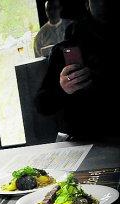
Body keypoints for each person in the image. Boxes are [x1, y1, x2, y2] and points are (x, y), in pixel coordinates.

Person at [34, 0, 114, 142]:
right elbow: (42, 104)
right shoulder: (69, 45)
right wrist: (62, 88)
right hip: (87, 139)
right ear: (87, 4)